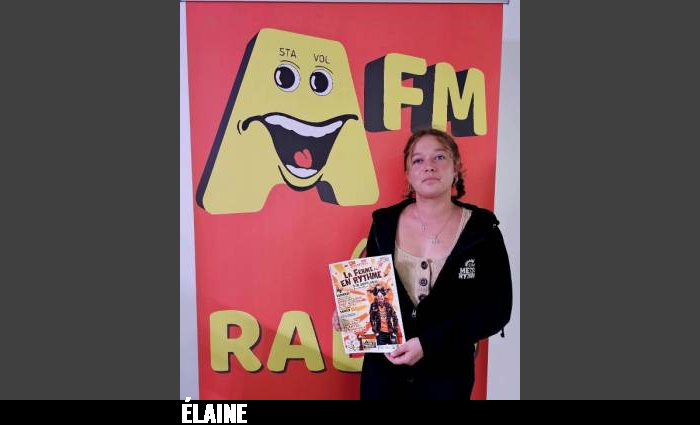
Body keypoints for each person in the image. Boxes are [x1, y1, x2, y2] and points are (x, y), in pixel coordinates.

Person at [333, 128, 512, 400]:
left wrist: (429, 344)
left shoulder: (483, 230)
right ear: (408, 174)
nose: (429, 166)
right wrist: (350, 312)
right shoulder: (383, 225)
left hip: (447, 378)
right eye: (418, 160)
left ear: (456, 168)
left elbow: (496, 310)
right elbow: (370, 292)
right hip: (384, 375)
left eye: (439, 157)